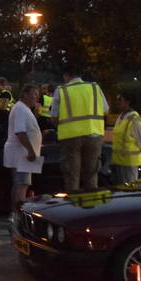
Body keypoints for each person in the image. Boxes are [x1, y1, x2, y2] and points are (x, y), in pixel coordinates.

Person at [50, 65, 108, 193]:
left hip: (70, 138)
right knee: (92, 176)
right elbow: (105, 109)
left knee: (72, 176)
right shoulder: (94, 88)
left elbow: (53, 117)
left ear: (66, 76)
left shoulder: (61, 90)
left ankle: (73, 208)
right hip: (94, 135)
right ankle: (91, 207)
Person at [3, 84, 43, 211]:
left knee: (21, 183)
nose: (37, 97)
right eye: (34, 94)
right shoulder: (20, 109)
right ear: (25, 94)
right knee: (22, 183)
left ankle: (16, 212)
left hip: (23, 152)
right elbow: (20, 132)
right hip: (22, 153)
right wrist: (30, 150)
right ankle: (18, 213)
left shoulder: (23, 108)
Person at [110, 93, 141, 185]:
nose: (117, 102)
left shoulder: (134, 118)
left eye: (120, 99)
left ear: (128, 102)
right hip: (118, 161)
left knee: (129, 188)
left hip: (129, 162)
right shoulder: (121, 116)